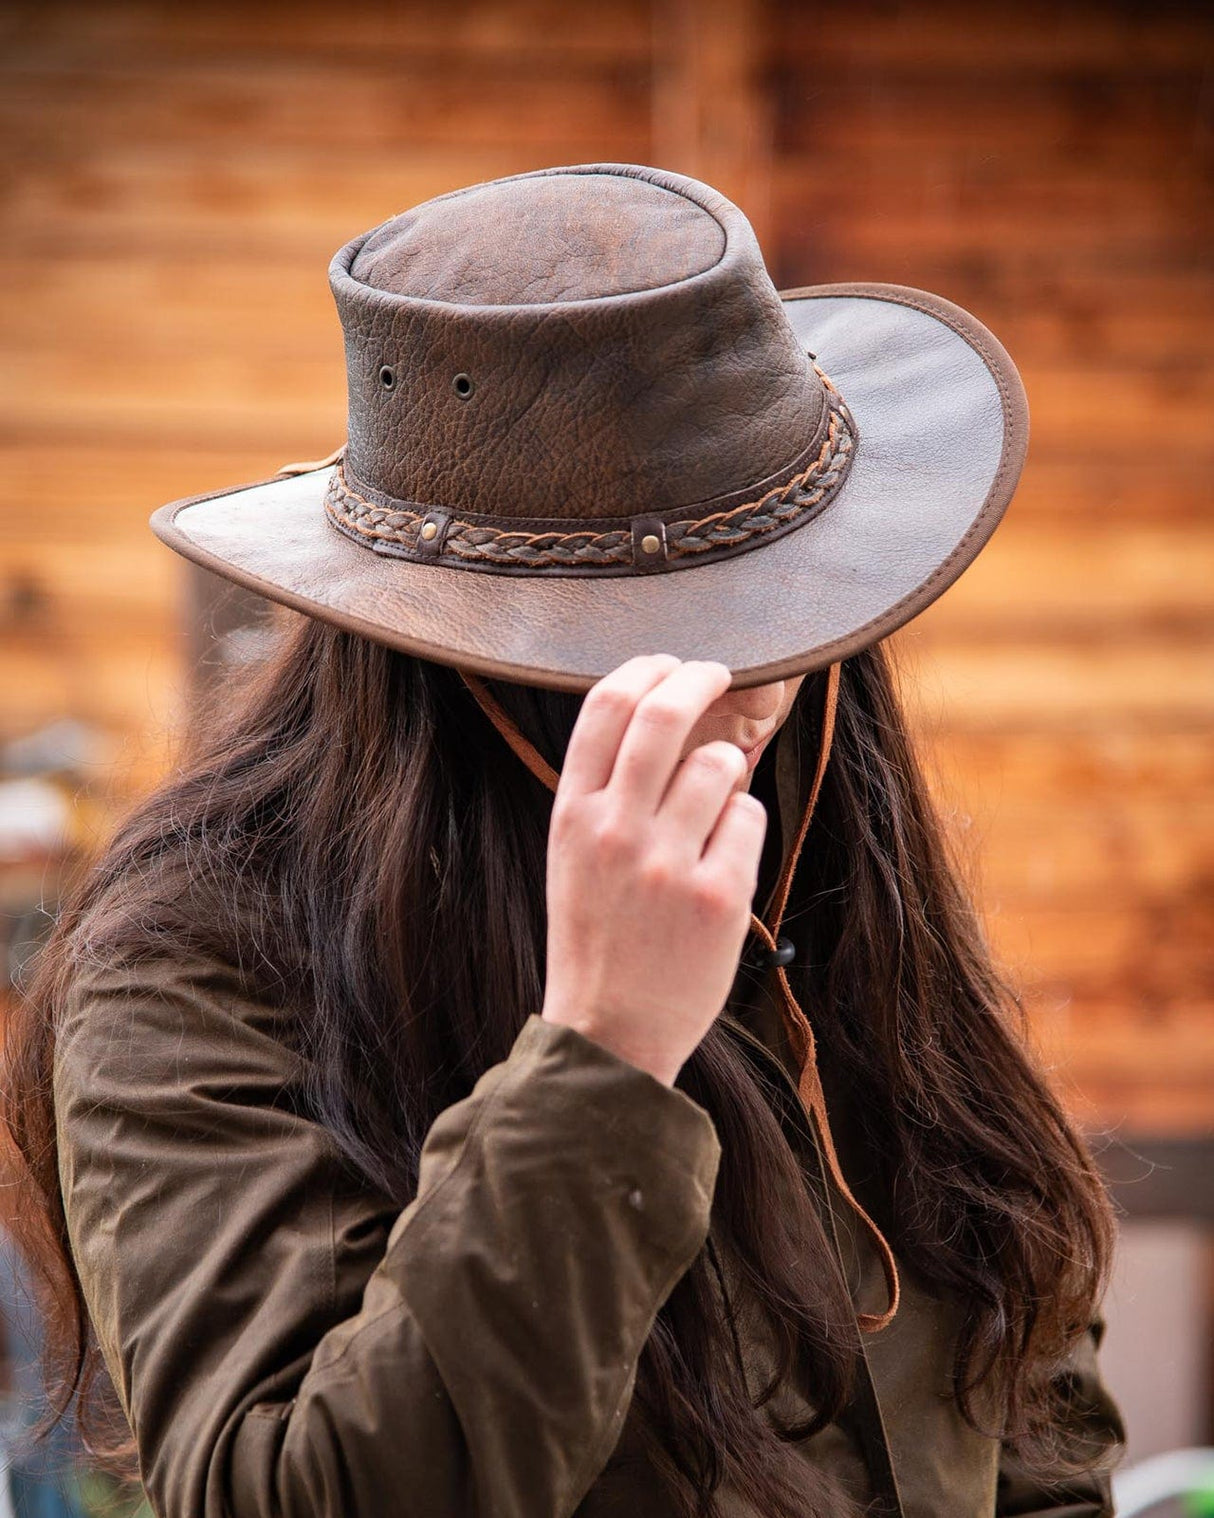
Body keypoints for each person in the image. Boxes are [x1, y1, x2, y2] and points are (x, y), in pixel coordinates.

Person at [0, 164, 1125, 1518]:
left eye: (789, 589)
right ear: (461, 648)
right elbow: (287, 1490)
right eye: (675, 611)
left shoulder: (823, 819)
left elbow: (1029, 1413)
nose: (760, 673)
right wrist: (601, 1058)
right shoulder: (204, 947)